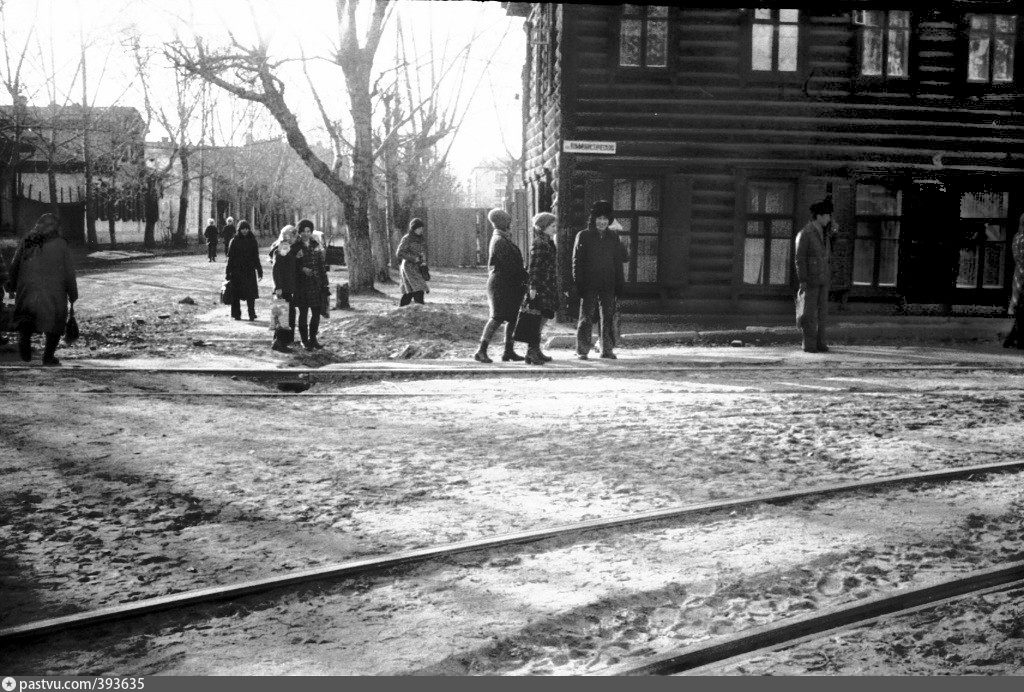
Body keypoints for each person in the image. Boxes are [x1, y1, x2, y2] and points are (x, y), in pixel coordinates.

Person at [4, 213, 77, 366]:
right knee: (55, 322)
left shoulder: (27, 241)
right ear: (55, 227)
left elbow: (15, 263)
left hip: (28, 288)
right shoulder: (61, 244)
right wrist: (72, 292)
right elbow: (69, 271)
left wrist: (11, 282)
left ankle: (24, 338)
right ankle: (48, 357)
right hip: (54, 290)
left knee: (27, 317)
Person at [573, 200, 626, 360]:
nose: (602, 222)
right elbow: (577, 261)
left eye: (605, 219)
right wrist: (578, 282)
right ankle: (582, 350)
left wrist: (619, 283)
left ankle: (606, 349)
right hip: (589, 284)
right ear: (593, 219)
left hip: (608, 283)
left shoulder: (613, 237)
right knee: (586, 317)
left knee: (607, 317)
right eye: (599, 218)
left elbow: (619, 261)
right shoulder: (583, 235)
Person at [474, 208, 528, 363]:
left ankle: (508, 351)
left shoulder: (503, 238)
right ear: (500, 222)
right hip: (501, 284)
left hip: (508, 283)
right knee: (497, 317)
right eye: (507, 221)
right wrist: (525, 278)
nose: (509, 223)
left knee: (512, 317)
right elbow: (511, 266)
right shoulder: (499, 240)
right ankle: (481, 350)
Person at [794, 197, 835, 353]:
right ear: (819, 216)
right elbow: (799, 259)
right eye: (827, 215)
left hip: (823, 278)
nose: (829, 218)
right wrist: (803, 280)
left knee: (822, 313)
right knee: (809, 314)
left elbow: (829, 254)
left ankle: (821, 343)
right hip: (810, 279)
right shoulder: (805, 233)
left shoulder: (825, 234)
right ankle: (809, 344)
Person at [524, 211, 558, 365]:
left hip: (547, 285)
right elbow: (535, 267)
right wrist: (533, 287)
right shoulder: (539, 243)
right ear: (543, 227)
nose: (555, 228)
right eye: (552, 225)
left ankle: (535, 350)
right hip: (541, 286)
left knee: (542, 317)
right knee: (536, 319)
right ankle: (532, 352)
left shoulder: (548, 242)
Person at [293, 218, 329, 350]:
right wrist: (301, 268)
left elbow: (321, 265)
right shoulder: (295, 246)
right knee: (303, 313)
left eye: (309, 231)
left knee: (316, 312)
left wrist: (325, 283)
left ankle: (313, 338)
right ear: (300, 232)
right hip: (301, 285)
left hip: (316, 283)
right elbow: (289, 264)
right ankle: (304, 340)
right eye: (304, 231)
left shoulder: (316, 245)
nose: (306, 234)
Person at [225, 219, 262, 321]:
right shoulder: (234, 241)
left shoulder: (252, 240)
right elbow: (230, 258)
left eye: (246, 229)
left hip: (249, 271)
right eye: (242, 229)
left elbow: (256, 257)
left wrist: (259, 270)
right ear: (239, 229)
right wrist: (227, 272)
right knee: (236, 294)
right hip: (237, 271)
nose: (245, 231)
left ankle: (251, 313)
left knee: (251, 294)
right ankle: (236, 314)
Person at [269, 224, 298, 353]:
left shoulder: (285, 247)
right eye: (293, 235)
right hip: (283, 288)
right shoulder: (283, 247)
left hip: (285, 287)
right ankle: (280, 342)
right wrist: (279, 288)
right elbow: (277, 269)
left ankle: (278, 341)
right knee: (284, 315)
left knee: (283, 314)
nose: (295, 238)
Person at [396, 217, 429, 306]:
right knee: (417, 288)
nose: (421, 230)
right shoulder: (407, 238)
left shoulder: (421, 239)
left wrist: (423, 262)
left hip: (417, 267)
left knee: (410, 290)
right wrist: (414, 258)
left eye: (422, 228)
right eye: (419, 228)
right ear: (414, 229)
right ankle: (418, 309)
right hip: (408, 267)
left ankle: (404, 310)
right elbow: (399, 253)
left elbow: (422, 251)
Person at [1004, 213, 1024, 349]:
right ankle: (1015, 340)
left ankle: (1011, 340)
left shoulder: (1017, 237)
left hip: (1019, 274)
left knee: (1021, 309)